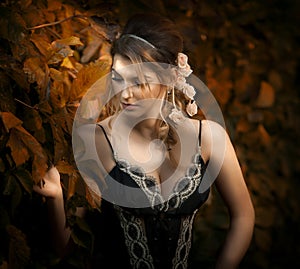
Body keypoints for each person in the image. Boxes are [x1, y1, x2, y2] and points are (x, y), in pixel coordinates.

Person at [33, 13, 255, 269]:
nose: (124, 93)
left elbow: (243, 216)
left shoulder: (209, 138)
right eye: (117, 78)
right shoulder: (96, 142)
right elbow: (66, 247)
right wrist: (55, 198)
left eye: (139, 82)